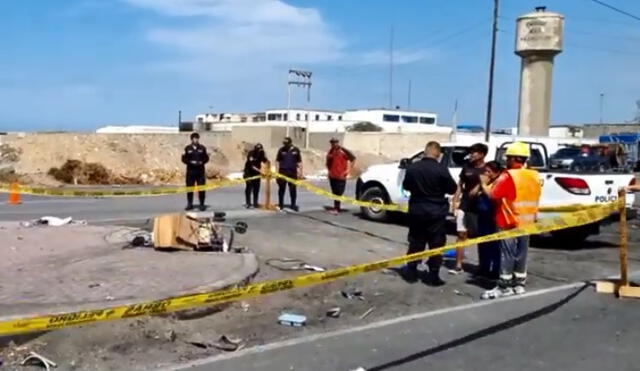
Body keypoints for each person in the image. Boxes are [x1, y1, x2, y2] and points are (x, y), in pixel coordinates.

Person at [480, 142, 542, 299]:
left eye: (508, 157)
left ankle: (504, 285)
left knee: (507, 254)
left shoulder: (509, 176)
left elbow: (494, 195)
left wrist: (483, 183)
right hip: (527, 220)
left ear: (515, 158)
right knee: (521, 253)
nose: (506, 161)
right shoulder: (534, 175)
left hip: (508, 220)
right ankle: (519, 283)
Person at [398, 141, 457, 286]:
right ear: (437, 153)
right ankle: (433, 274)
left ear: (425, 152)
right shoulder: (441, 169)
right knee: (436, 243)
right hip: (436, 211)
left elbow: (406, 186)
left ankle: (411, 271)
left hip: (417, 209)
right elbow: (452, 189)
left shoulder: (413, 168)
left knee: (416, 240)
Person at [450, 143, 489, 275]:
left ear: (482, 154)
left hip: (480, 207)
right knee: (461, 234)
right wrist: (455, 200)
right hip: (465, 205)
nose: (471, 155)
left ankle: (483, 266)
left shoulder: (487, 169)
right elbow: (460, 185)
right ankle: (458, 265)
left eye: (475, 152)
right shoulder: (466, 167)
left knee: (481, 237)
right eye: (471, 152)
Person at [326, 138, 356, 215]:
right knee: (335, 193)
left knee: (339, 193)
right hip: (333, 175)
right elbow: (328, 162)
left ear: (338, 142)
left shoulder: (343, 151)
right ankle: (336, 208)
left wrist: (348, 170)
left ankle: (337, 208)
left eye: (335, 142)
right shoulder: (331, 151)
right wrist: (329, 171)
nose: (333, 144)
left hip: (341, 176)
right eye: (332, 143)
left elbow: (353, 159)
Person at [181, 132, 209, 211]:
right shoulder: (187, 148)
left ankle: (202, 204)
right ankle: (190, 204)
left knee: (201, 188)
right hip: (191, 171)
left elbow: (206, 158)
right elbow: (183, 159)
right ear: (192, 139)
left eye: (197, 138)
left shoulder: (202, 148)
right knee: (190, 188)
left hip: (200, 172)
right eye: (194, 138)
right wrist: (190, 162)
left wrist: (202, 162)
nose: (196, 140)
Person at [276, 137, 302, 212]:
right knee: (281, 189)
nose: (285, 145)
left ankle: (293, 205)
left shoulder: (296, 150)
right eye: (284, 143)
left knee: (293, 189)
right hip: (283, 172)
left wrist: (300, 172)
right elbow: (277, 161)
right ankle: (281, 205)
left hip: (292, 172)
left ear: (290, 143)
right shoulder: (281, 150)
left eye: (286, 143)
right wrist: (277, 173)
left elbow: (299, 162)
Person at [243, 143, 268, 209]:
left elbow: (265, 161)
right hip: (248, 173)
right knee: (249, 187)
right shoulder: (251, 154)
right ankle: (248, 203)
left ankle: (255, 203)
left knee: (256, 188)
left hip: (256, 174)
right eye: (258, 149)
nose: (259, 151)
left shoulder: (261, 153)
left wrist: (267, 168)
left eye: (260, 149)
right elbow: (252, 166)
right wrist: (261, 172)